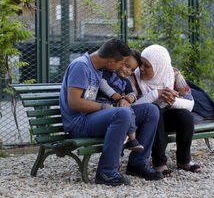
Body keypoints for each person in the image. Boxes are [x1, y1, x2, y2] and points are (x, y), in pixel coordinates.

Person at [59, 39, 163, 186]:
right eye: (122, 63)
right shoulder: (81, 66)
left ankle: (137, 164)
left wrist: (125, 100)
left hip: (94, 118)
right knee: (121, 113)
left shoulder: (100, 68)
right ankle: (106, 172)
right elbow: (74, 102)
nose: (123, 67)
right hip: (78, 123)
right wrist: (107, 108)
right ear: (111, 61)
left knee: (150, 110)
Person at [128, 44, 201, 176]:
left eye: (147, 66)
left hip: (166, 116)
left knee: (185, 116)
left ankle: (184, 160)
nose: (141, 68)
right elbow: (131, 108)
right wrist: (155, 95)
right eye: (141, 64)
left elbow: (190, 104)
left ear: (159, 66)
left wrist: (172, 101)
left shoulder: (173, 73)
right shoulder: (133, 77)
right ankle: (159, 163)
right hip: (143, 122)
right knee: (154, 110)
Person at [97, 50, 144, 151]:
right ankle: (122, 137)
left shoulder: (126, 81)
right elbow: (102, 83)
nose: (128, 71)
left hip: (116, 104)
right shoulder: (108, 73)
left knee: (129, 111)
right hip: (103, 102)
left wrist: (131, 97)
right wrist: (114, 94)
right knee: (123, 113)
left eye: (132, 70)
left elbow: (132, 92)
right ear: (120, 62)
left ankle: (132, 139)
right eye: (127, 66)